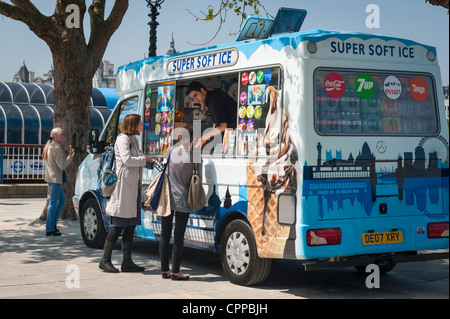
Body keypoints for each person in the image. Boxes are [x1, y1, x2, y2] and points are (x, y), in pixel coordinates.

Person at [99, 114, 153, 273]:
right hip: (123, 189)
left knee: (130, 226)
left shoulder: (133, 140)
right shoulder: (123, 140)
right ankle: (105, 260)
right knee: (118, 226)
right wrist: (145, 160)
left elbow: (134, 159)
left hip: (132, 189)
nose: (142, 125)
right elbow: (127, 160)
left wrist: (146, 162)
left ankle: (127, 261)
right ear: (133, 124)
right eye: (140, 123)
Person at [160, 126, 200, 280]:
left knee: (165, 234)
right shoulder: (195, 157)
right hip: (184, 199)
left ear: (179, 139)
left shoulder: (170, 151)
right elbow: (197, 179)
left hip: (168, 198)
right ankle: (176, 271)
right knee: (178, 236)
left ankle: (165, 270)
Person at [43, 127, 74, 236]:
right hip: (55, 179)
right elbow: (62, 165)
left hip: (50, 178)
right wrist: (71, 156)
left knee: (61, 200)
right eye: (61, 135)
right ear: (55, 136)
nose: (63, 137)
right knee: (53, 203)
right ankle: (50, 228)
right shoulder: (56, 148)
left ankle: (52, 225)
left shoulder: (49, 146)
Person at [187, 81, 237, 149]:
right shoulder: (214, 96)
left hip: (234, 133)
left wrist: (205, 136)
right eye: (193, 98)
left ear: (202, 90)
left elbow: (223, 126)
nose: (195, 100)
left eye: (195, 95)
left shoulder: (213, 101)